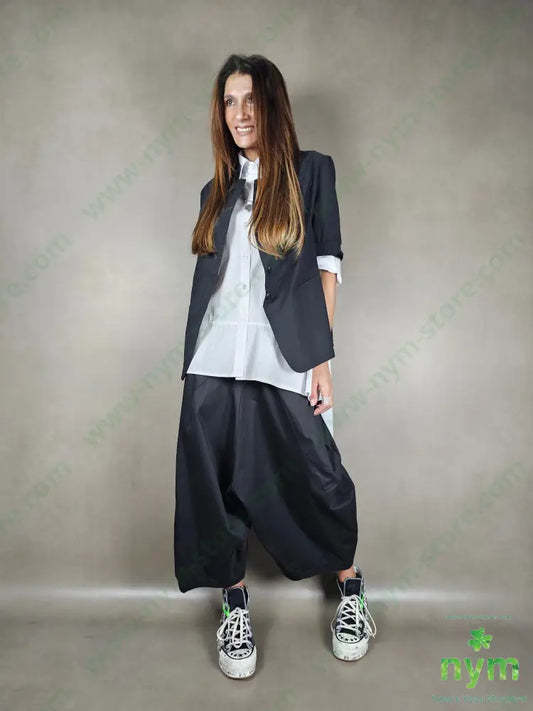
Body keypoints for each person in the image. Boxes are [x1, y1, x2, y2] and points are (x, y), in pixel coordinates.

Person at [173, 53, 376, 679]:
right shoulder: (215, 191)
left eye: (251, 100)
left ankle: (350, 588)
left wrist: (320, 359)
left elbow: (328, 265)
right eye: (229, 102)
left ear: (273, 105)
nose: (240, 114)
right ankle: (234, 603)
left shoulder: (312, 173)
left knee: (317, 473)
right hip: (213, 359)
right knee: (214, 483)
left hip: (284, 356)